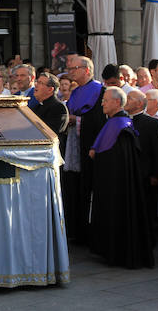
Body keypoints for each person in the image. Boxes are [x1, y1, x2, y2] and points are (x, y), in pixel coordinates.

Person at [88, 87, 154, 268]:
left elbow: (114, 157)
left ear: (117, 102)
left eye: (106, 100)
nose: (102, 103)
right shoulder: (114, 123)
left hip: (117, 184)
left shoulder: (121, 125)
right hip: (111, 182)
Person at [62, 56, 106, 245]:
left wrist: (76, 120)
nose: (70, 72)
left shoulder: (99, 91)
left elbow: (99, 122)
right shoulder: (76, 92)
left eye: (74, 68)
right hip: (74, 145)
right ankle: (76, 230)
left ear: (86, 70)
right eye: (69, 68)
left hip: (90, 148)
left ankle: (89, 232)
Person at [125, 89, 158, 228]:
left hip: (145, 174)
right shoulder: (120, 122)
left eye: (130, 98)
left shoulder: (153, 124)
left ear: (140, 103)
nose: (126, 100)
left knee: (146, 210)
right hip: (126, 174)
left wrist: (155, 174)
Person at [29, 71, 69, 138]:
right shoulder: (37, 106)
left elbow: (50, 132)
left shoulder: (58, 108)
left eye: (40, 83)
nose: (36, 84)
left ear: (50, 89)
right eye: (37, 82)